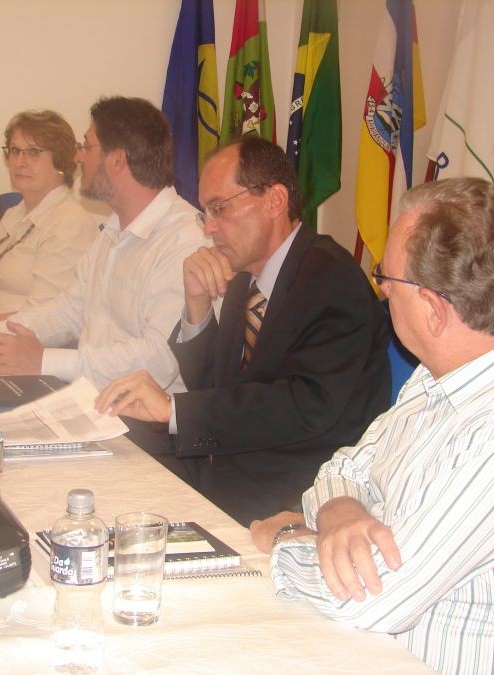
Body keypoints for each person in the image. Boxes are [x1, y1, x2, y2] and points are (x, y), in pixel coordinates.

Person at [250, 177, 494, 675]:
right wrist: (339, 511)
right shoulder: (447, 372)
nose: (380, 289)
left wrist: (290, 535)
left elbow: (366, 598)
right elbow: (346, 466)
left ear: (434, 311)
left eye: (386, 277)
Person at [95, 136, 391, 525]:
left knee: (128, 492)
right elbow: (216, 388)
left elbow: (304, 406)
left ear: (274, 201)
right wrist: (197, 306)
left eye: (219, 208)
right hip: (233, 459)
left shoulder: (331, 277)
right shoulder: (246, 277)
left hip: (293, 484)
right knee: (114, 444)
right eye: (205, 213)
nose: (209, 228)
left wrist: (174, 410)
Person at [0, 96, 206, 400]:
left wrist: (43, 361)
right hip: (91, 395)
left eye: (87, 146)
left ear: (117, 160)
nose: (78, 157)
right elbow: (70, 309)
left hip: (143, 414)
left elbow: (160, 360)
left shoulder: (184, 240)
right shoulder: (114, 230)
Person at [0, 110, 97, 319]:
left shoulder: (70, 223)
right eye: (15, 151)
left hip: (24, 334)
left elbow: (43, 316)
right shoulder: (13, 213)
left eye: (34, 152)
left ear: (60, 162)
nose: (20, 162)